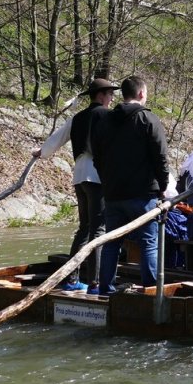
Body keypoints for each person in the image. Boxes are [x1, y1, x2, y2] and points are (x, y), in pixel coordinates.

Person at [32, 78, 118, 292]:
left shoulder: (77, 117)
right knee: (98, 230)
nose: (112, 98)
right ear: (101, 95)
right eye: (110, 94)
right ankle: (95, 283)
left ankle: (71, 280)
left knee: (84, 228)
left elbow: (57, 138)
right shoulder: (108, 116)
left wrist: (42, 153)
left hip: (79, 176)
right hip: (97, 176)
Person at [92, 75, 170, 294]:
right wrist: (163, 185)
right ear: (141, 93)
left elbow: (97, 158)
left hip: (113, 194)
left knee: (111, 243)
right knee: (149, 243)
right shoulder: (148, 119)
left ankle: (105, 289)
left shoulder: (104, 121)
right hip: (143, 195)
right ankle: (151, 291)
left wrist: (107, 181)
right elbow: (160, 157)